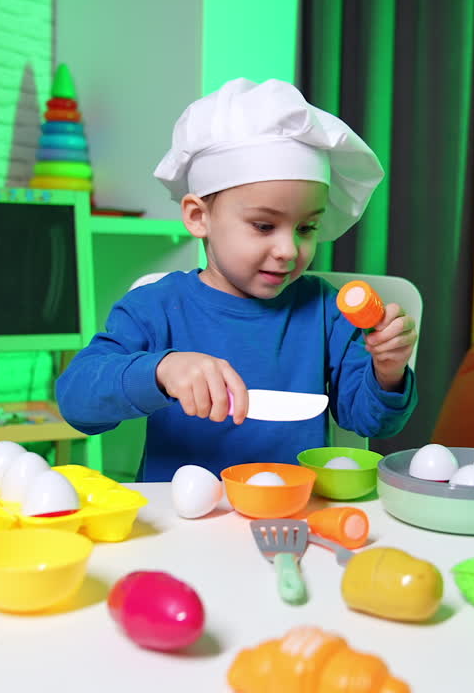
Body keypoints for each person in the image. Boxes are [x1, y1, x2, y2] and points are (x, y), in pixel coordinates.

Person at [55, 78, 418, 482]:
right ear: (198, 217)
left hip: (292, 515)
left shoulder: (324, 311)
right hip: (181, 524)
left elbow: (370, 422)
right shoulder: (155, 307)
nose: (288, 249)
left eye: (306, 228)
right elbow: (77, 402)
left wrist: (387, 370)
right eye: (264, 226)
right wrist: (160, 370)